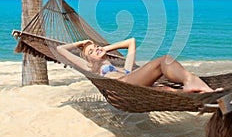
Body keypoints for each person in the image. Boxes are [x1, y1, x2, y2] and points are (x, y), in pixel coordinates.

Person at [57, 38, 221, 93]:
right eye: (91, 51)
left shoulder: (123, 67)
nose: (97, 49)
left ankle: (205, 93)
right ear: (89, 59)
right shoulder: (90, 67)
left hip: (132, 82)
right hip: (122, 87)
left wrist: (103, 48)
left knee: (166, 89)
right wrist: (84, 43)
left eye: (97, 47)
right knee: (164, 60)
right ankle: (194, 84)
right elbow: (60, 49)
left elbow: (131, 42)